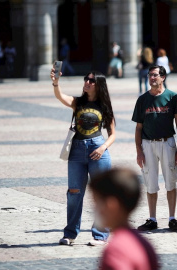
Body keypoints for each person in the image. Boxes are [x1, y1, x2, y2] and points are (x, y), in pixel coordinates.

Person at [50, 68, 116, 246]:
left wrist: (103, 148)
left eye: (91, 80)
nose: (87, 82)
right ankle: (70, 234)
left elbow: (112, 134)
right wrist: (56, 82)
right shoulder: (78, 102)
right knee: (74, 193)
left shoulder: (104, 106)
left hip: (97, 150)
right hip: (77, 151)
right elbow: (60, 96)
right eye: (86, 79)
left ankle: (100, 234)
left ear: (98, 85)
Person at [132, 65, 177, 231]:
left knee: (171, 181)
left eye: (155, 75)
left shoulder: (172, 97)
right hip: (148, 144)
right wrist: (139, 151)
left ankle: (172, 218)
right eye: (149, 75)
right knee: (150, 182)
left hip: (167, 143)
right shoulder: (142, 99)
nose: (151, 78)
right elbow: (138, 128)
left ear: (163, 77)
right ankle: (152, 218)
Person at [90, 168, 159, 270]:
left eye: (96, 203)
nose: (94, 209)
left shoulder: (116, 250)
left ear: (111, 205)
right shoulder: (144, 243)